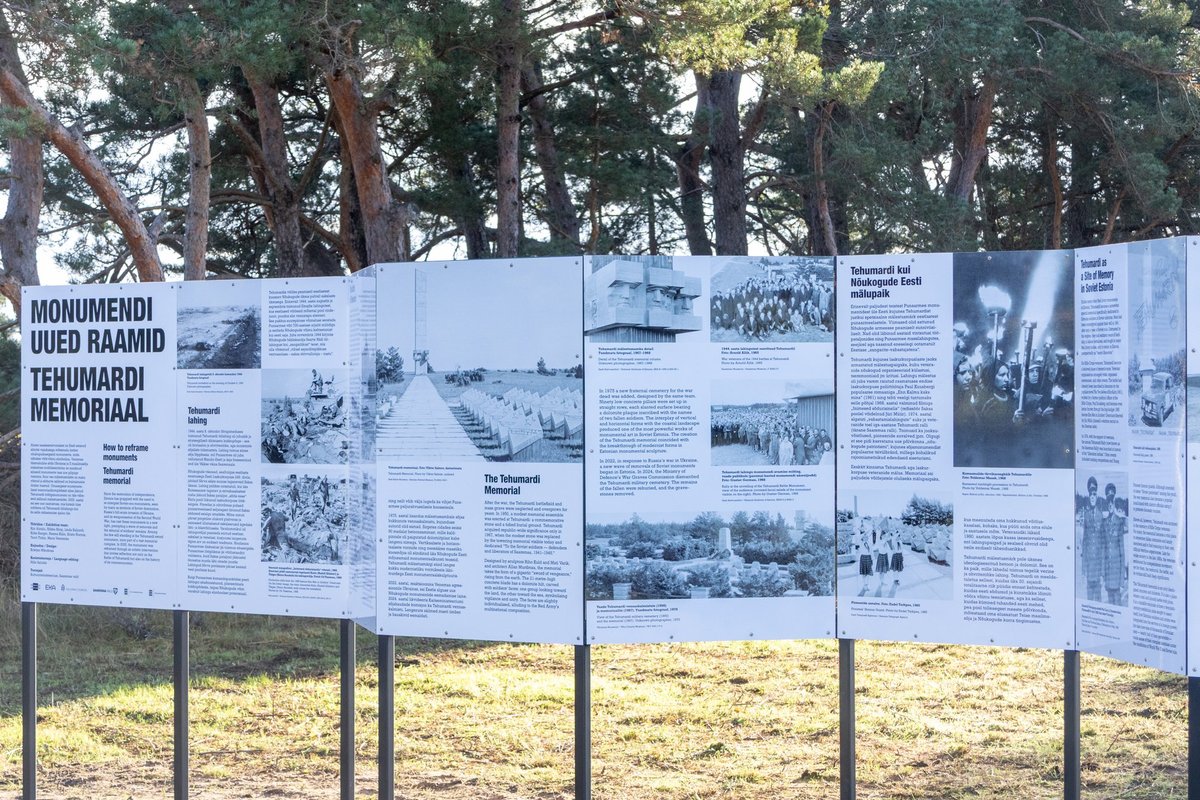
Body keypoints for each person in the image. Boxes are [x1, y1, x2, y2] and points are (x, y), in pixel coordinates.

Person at [1079, 476, 1104, 602]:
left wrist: (1103, 572)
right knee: (1089, 602)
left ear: (1097, 495)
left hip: (1098, 568)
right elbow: (1084, 544)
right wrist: (1083, 571)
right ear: (1089, 496)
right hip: (1089, 568)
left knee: (1098, 602)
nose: (1092, 496)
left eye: (1094, 493)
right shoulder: (1086, 515)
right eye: (1090, 494)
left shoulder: (1101, 515)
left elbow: (1103, 546)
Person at [1102, 483, 1126, 605]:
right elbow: (1104, 550)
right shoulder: (1104, 523)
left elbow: (1122, 553)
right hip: (1108, 575)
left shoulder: (1120, 522)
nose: (1110, 505)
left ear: (1115, 503)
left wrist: (1122, 581)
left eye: (1112, 502)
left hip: (1117, 576)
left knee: (1118, 607)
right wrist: (1103, 574)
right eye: (1108, 502)